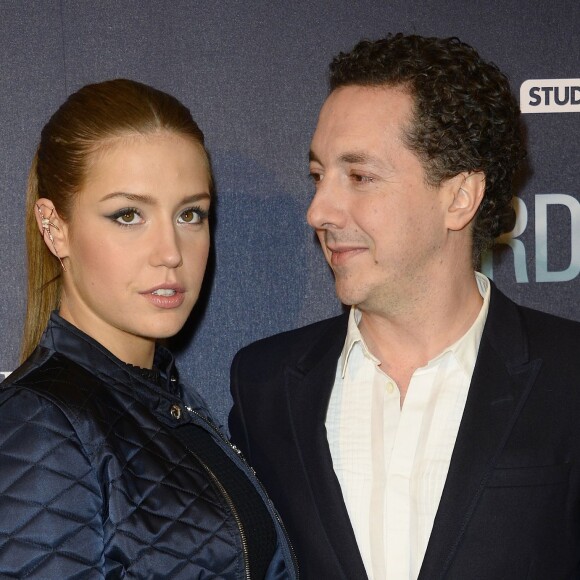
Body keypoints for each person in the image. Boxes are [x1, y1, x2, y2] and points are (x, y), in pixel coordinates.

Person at [229, 33, 580, 579]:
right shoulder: (265, 385)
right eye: (318, 176)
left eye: (361, 177)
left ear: (459, 197)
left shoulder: (570, 376)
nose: (318, 209)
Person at [0, 79, 297, 579]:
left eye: (190, 214)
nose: (170, 252)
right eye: (129, 215)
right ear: (55, 227)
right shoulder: (41, 425)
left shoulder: (168, 405)